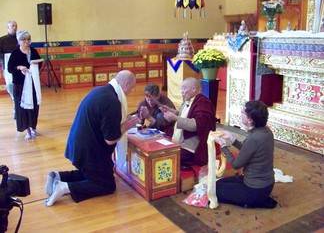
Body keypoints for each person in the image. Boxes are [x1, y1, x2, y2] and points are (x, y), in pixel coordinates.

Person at [44, 70, 140, 207]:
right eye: (131, 88)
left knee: (94, 176)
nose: (130, 92)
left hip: (77, 145)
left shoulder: (100, 91)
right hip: (89, 152)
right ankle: (65, 187)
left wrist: (122, 124)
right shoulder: (112, 101)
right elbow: (110, 139)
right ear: (125, 84)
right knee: (107, 185)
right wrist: (125, 126)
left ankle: (58, 176)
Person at [212, 100, 277, 209]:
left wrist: (223, 146)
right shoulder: (266, 131)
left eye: (243, 112)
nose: (241, 112)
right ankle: (257, 200)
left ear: (250, 120)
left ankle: (252, 202)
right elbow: (249, 151)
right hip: (265, 185)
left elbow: (236, 164)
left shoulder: (254, 138)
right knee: (218, 183)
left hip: (255, 189)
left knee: (215, 190)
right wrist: (232, 139)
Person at [163, 77, 216, 166]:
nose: (182, 91)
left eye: (184, 88)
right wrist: (171, 111)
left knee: (169, 157)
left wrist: (175, 118)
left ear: (194, 89)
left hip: (191, 146)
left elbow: (195, 125)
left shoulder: (203, 103)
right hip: (180, 140)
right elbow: (182, 114)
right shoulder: (188, 100)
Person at [7, 30, 42, 140]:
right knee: (23, 107)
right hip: (20, 84)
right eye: (24, 40)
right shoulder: (15, 53)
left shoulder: (33, 51)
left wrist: (34, 66)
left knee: (34, 106)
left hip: (32, 83)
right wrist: (19, 67)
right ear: (19, 41)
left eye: (28, 39)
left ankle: (33, 127)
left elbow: (39, 63)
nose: (26, 41)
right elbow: (10, 68)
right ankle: (26, 129)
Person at [0, 21, 18, 101]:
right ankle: (14, 98)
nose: (14, 27)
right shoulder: (2, 40)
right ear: (8, 28)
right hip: (7, 66)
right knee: (10, 84)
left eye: (15, 26)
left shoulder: (19, 39)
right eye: (12, 26)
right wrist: (7, 56)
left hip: (19, 66)